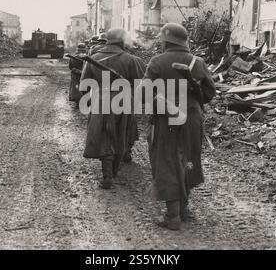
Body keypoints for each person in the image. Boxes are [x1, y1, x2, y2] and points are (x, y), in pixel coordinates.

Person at [142, 23, 216, 231]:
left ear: (165, 41)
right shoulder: (198, 62)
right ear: (184, 42)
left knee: (167, 161)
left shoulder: (157, 62)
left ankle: (172, 215)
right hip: (192, 118)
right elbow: (209, 94)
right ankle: (184, 209)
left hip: (167, 119)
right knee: (189, 159)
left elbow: (144, 94)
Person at [80, 28, 145, 189]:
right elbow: (143, 85)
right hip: (124, 100)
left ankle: (108, 174)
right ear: (123, 41)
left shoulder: (93, 58)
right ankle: (116, 168)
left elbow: (84, 85)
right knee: (122, 133)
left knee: (104, 135)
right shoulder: (132, 60)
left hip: (100, 99)